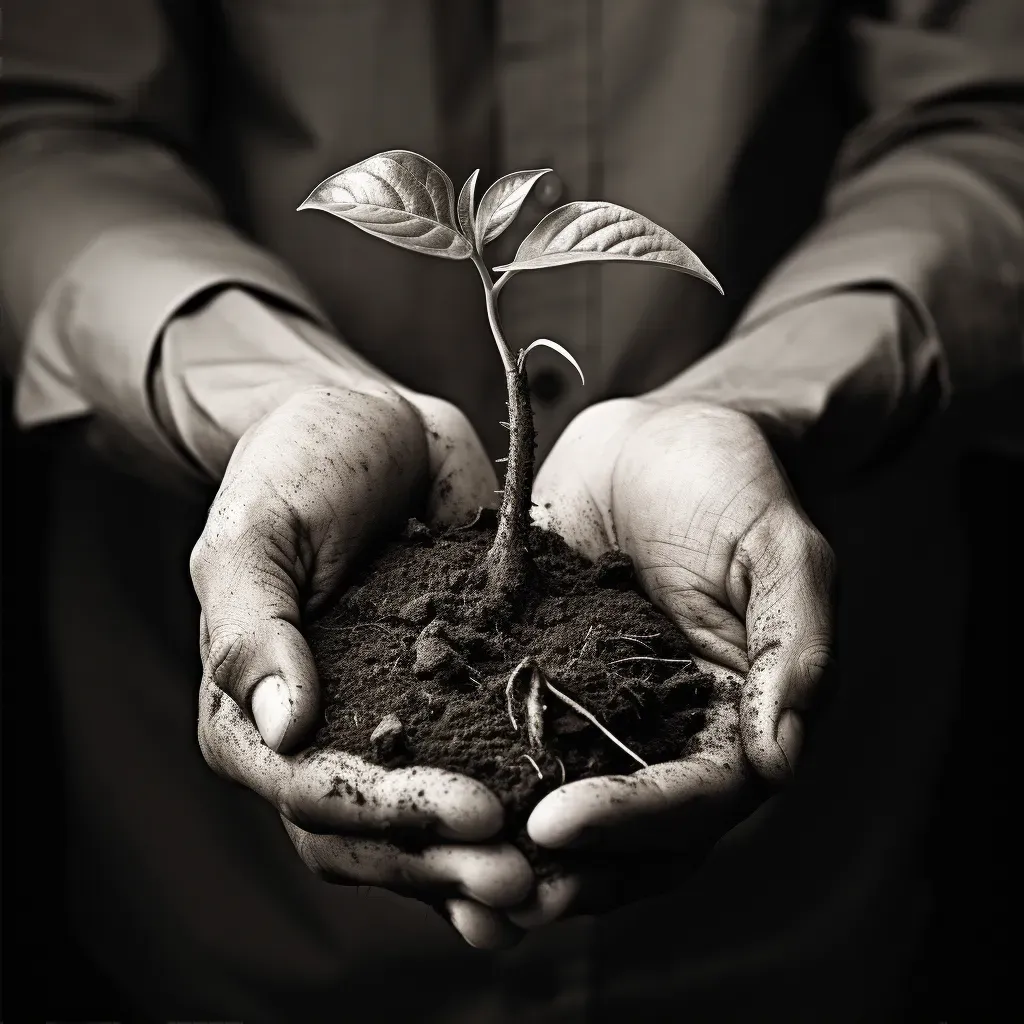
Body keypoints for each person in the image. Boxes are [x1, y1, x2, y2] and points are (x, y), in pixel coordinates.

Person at [2, 1, 1021, 1020]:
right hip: (252, 925)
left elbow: (988, 121)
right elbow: (42, 126)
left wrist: (759, 404)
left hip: (781, 910)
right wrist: (268, 399)